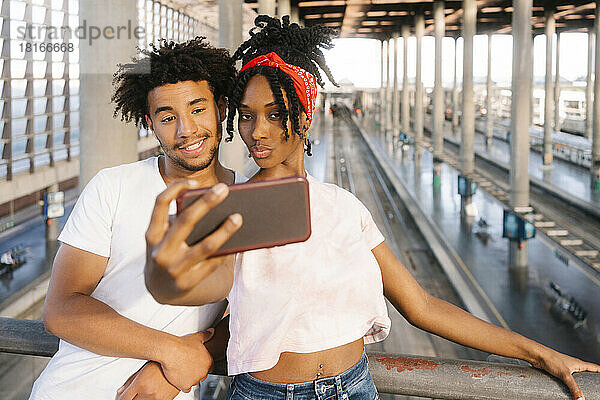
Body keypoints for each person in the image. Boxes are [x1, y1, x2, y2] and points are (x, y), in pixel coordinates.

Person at [143, 16, 600, 400]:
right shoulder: (232, 208)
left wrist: (542, 354)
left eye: (275, 113)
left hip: (356, 387)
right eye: (246, 115)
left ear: (304, 114)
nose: (257, 131)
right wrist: (167, 355)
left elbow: (421, 307)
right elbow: (202, 304)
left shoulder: (344, 207)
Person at [29, 37, 245, 400]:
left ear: (221, 108)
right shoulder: (112, 186)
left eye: (197, 109)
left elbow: (259, 312)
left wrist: (196, 357)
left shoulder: (249, 204)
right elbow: (62, 308)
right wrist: (169, 353)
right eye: (167, 117)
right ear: (149, 122)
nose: (186, 130)